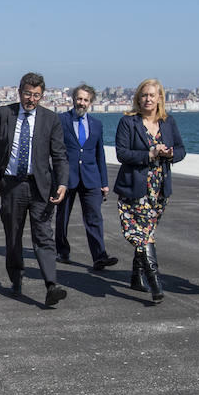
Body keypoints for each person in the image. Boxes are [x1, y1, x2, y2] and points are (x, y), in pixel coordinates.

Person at [0, 72, 69, 305]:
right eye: (27, 94)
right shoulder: (4, 114)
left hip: (40, 187)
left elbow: (60, 155)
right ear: (19, 92)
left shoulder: (50, 119)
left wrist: (62, 183)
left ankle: (51, 284)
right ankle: (16, 278)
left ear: (42, 96)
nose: (31, 99)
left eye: (36, 95)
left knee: (43, 236)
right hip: (12, 185)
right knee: (13, 237)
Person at [113, 79, 186, 302]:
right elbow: (122, 154)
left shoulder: (168, 122)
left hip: (159, 187)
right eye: (144, 95)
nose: (148, 99)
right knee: (144, 235)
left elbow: (182, 149)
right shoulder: (128, 122)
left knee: (146, 232)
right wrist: (150, 154)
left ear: (160, 99)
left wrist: (171, 153)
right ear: (138, 97)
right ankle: (154, 281)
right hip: (136, 186)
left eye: (152, 95)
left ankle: (136, 276)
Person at [55, 83, 120, 272]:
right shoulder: (61, 120)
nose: (81, 103)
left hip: (91, 178)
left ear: (90, 103)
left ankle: (99, 256)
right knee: (63, 217)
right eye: (79, 99)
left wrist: (104, 183)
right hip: (67, 178)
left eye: (86, 100)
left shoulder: (96, 125)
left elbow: (100, 154)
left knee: (94, 217)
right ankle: (62, 250)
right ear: (73, 99)